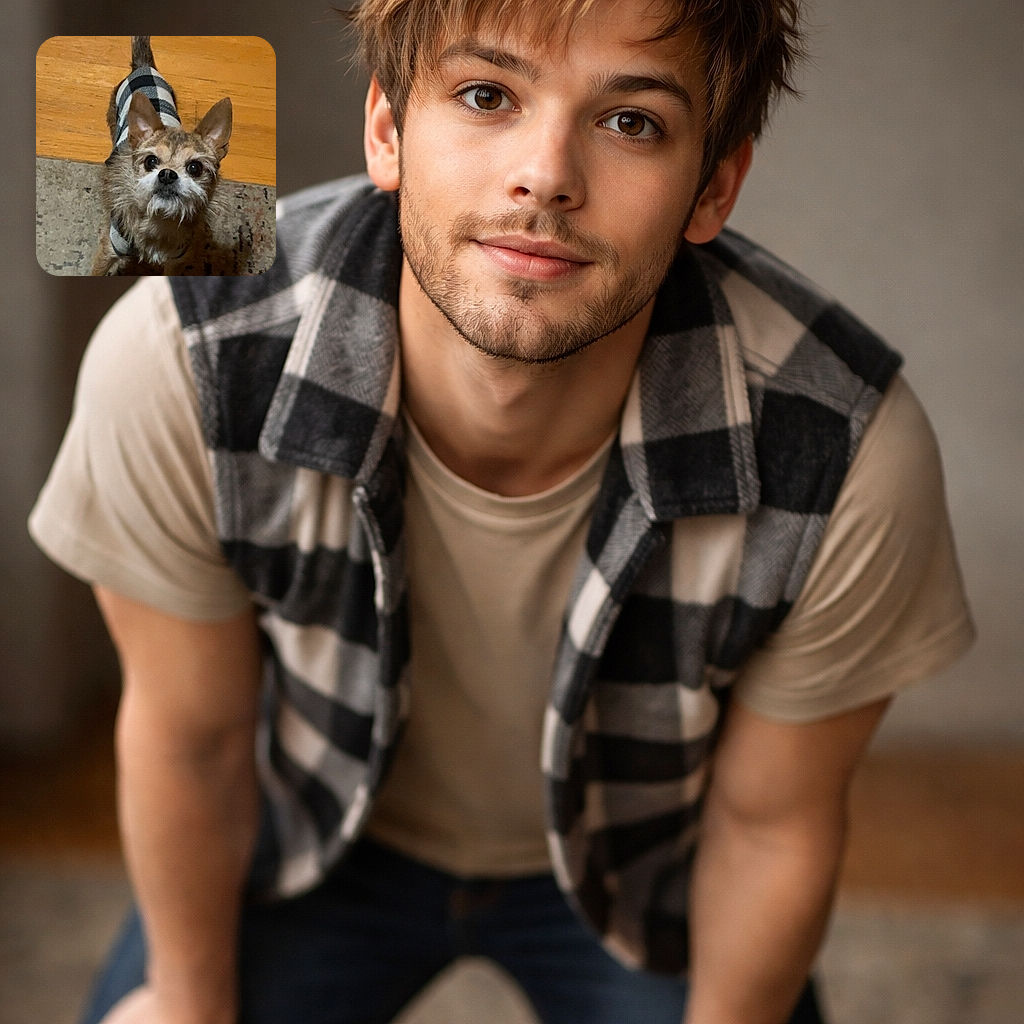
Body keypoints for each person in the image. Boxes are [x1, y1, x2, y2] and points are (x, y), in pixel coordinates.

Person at [30, 1, 975, 1022]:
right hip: (314, 835)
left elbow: (770, 826)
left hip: (641, 865)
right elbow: (193, 743)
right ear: (387, 129)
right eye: (486, 95)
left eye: (632, 122)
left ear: (713, 186)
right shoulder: (190, 359)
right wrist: (187, 1003)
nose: (545, 174)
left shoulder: (838, 447)